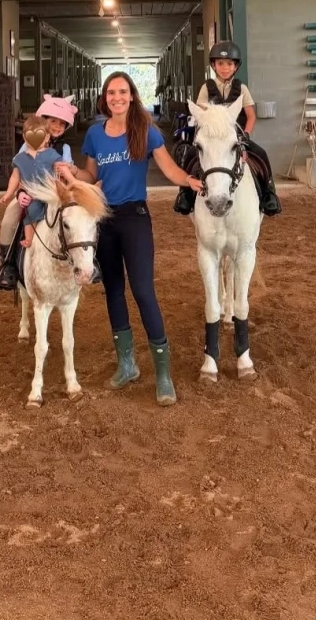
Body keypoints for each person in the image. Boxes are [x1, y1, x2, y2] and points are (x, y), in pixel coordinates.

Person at [67, 71, 202, 406]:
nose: (117, 98)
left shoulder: (146, 130)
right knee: (114, 291)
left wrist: (190, 180)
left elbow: (168, 169)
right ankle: (127, 365)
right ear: (105, 97)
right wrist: (72, 174)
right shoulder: (95, 134)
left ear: (131, 96)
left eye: (123, 92)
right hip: (104, 220)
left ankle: (163, 374)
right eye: (111, 93)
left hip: (135, 218)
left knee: (143, 291)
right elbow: (91, 175)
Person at [173, 40, 282, 217]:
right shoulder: (206, 88)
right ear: (214, 65)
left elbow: (251, 116)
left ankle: (269, 194)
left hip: (235, 137)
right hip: (212, 136)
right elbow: (201, 115)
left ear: (235, 66)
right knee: (190, 156)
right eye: (221, 63)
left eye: (229, 64)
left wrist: (245, 136)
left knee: (261, 154)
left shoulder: (242, 89)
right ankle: (184, 195)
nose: (225, 68)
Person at [0, 95, 78, 291]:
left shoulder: (64, 149)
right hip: (30, 193)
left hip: (56, 194)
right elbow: (19, 174)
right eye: (53, 121)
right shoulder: (26, 147)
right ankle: (8, 262)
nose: (57, 127)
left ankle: (90, 261)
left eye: (62, 124)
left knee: (82, 219)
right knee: (9, 219)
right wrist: (19, 193)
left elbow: (68, 173)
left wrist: (70, 171)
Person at [0, 116, 63, 249]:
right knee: (31, 210)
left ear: (46, 137)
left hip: (51, 193)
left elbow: (60, 173)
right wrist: (9, 194)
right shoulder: (20, 158)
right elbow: (15, 177)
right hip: (32, 194)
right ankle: (26, 240)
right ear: (25, 137)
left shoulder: (54, 154)